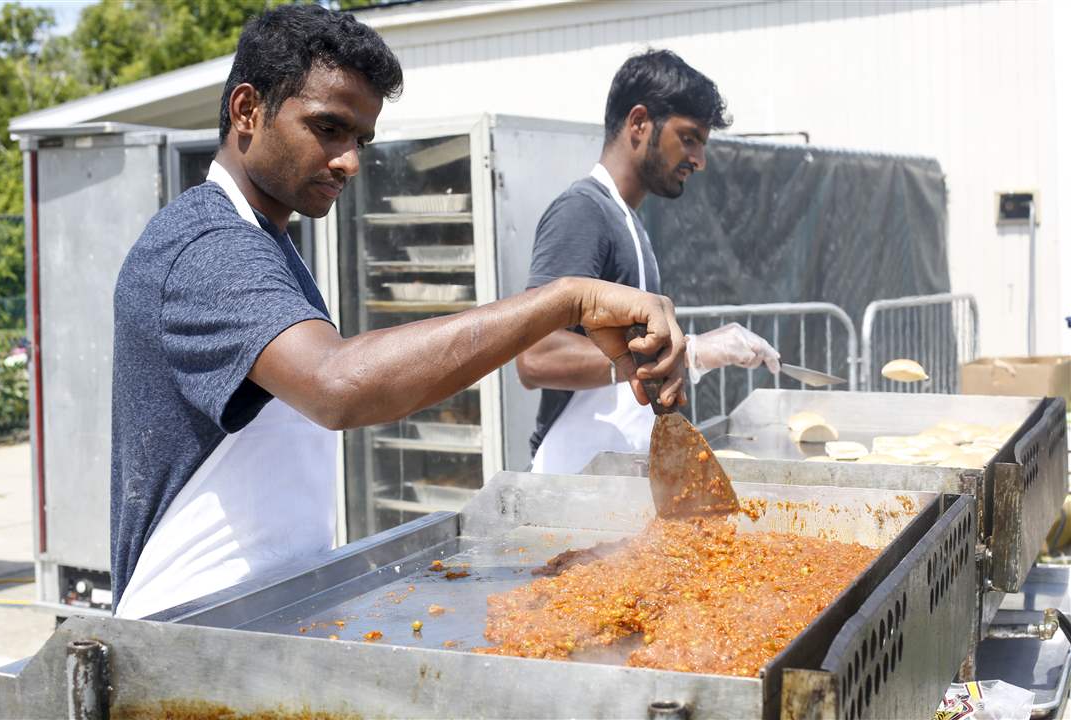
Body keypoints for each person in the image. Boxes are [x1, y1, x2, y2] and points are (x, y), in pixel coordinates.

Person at [110, 6, 687, 619]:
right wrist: (568, 299)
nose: (349, 162)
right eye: (327, 129)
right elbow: (338, 386)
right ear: (247, 111)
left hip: (258, 609)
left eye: (359, 139)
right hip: (184, 626)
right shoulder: (207, 244)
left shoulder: (267, 241)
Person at [517, 49, 780, 475]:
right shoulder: (583, 211)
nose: (699, 160)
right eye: (689, 137)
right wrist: (691, 352)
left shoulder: (627, 220)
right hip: (572, 486)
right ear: (639, 123)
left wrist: (687, 351)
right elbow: (536, 357)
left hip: (613, 484)